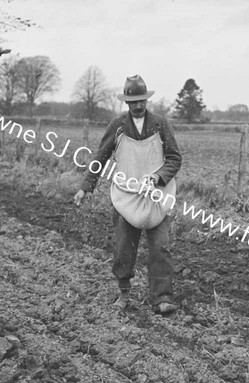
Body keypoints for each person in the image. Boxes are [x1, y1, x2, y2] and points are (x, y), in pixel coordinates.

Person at [73, 75, 182, 314]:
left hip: (157, 195)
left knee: (161, 247)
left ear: (146, 99)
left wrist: (158, 177)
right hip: (126, 195)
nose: (138, 105)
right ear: (126, 102)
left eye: (141, 100)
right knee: (124, 248)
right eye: (133, 101)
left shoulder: (160, 124)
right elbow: (100, 158)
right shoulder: (118, 126)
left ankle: (162, 298)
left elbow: (174, 158)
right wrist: (85, 187)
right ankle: (123, 293)